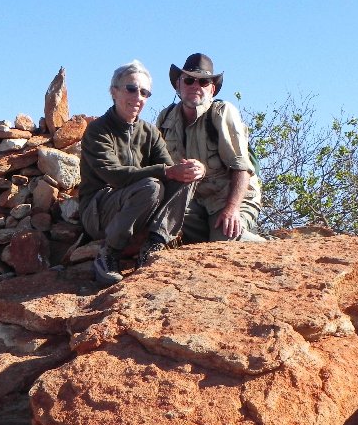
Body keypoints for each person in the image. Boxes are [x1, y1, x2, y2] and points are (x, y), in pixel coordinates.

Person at [79, 59, 205, 286]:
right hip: (99, 210)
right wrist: (167, 171)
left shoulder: (149, 132)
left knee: (187, 175)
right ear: (114, 91)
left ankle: (154, 244)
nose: (138, 97)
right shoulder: (98, 131)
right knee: (151, 186)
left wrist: (194, 170)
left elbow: (170, 171)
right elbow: (114, 175)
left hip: (141, 204)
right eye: (131, 89)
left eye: (145, 93)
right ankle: (108, 254)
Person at [156, 53, 264, 244]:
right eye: (189, 80)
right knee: (160, 226)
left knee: (222, 241)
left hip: (227, 198)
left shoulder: (222, 112)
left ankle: (271, 246)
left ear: (212, 89)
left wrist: (232, 209)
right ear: (178, 85)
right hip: (193, 203)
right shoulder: (166, 118)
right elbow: (158, 166)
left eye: (203, 82)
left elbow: (242, 168)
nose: (195, 86)